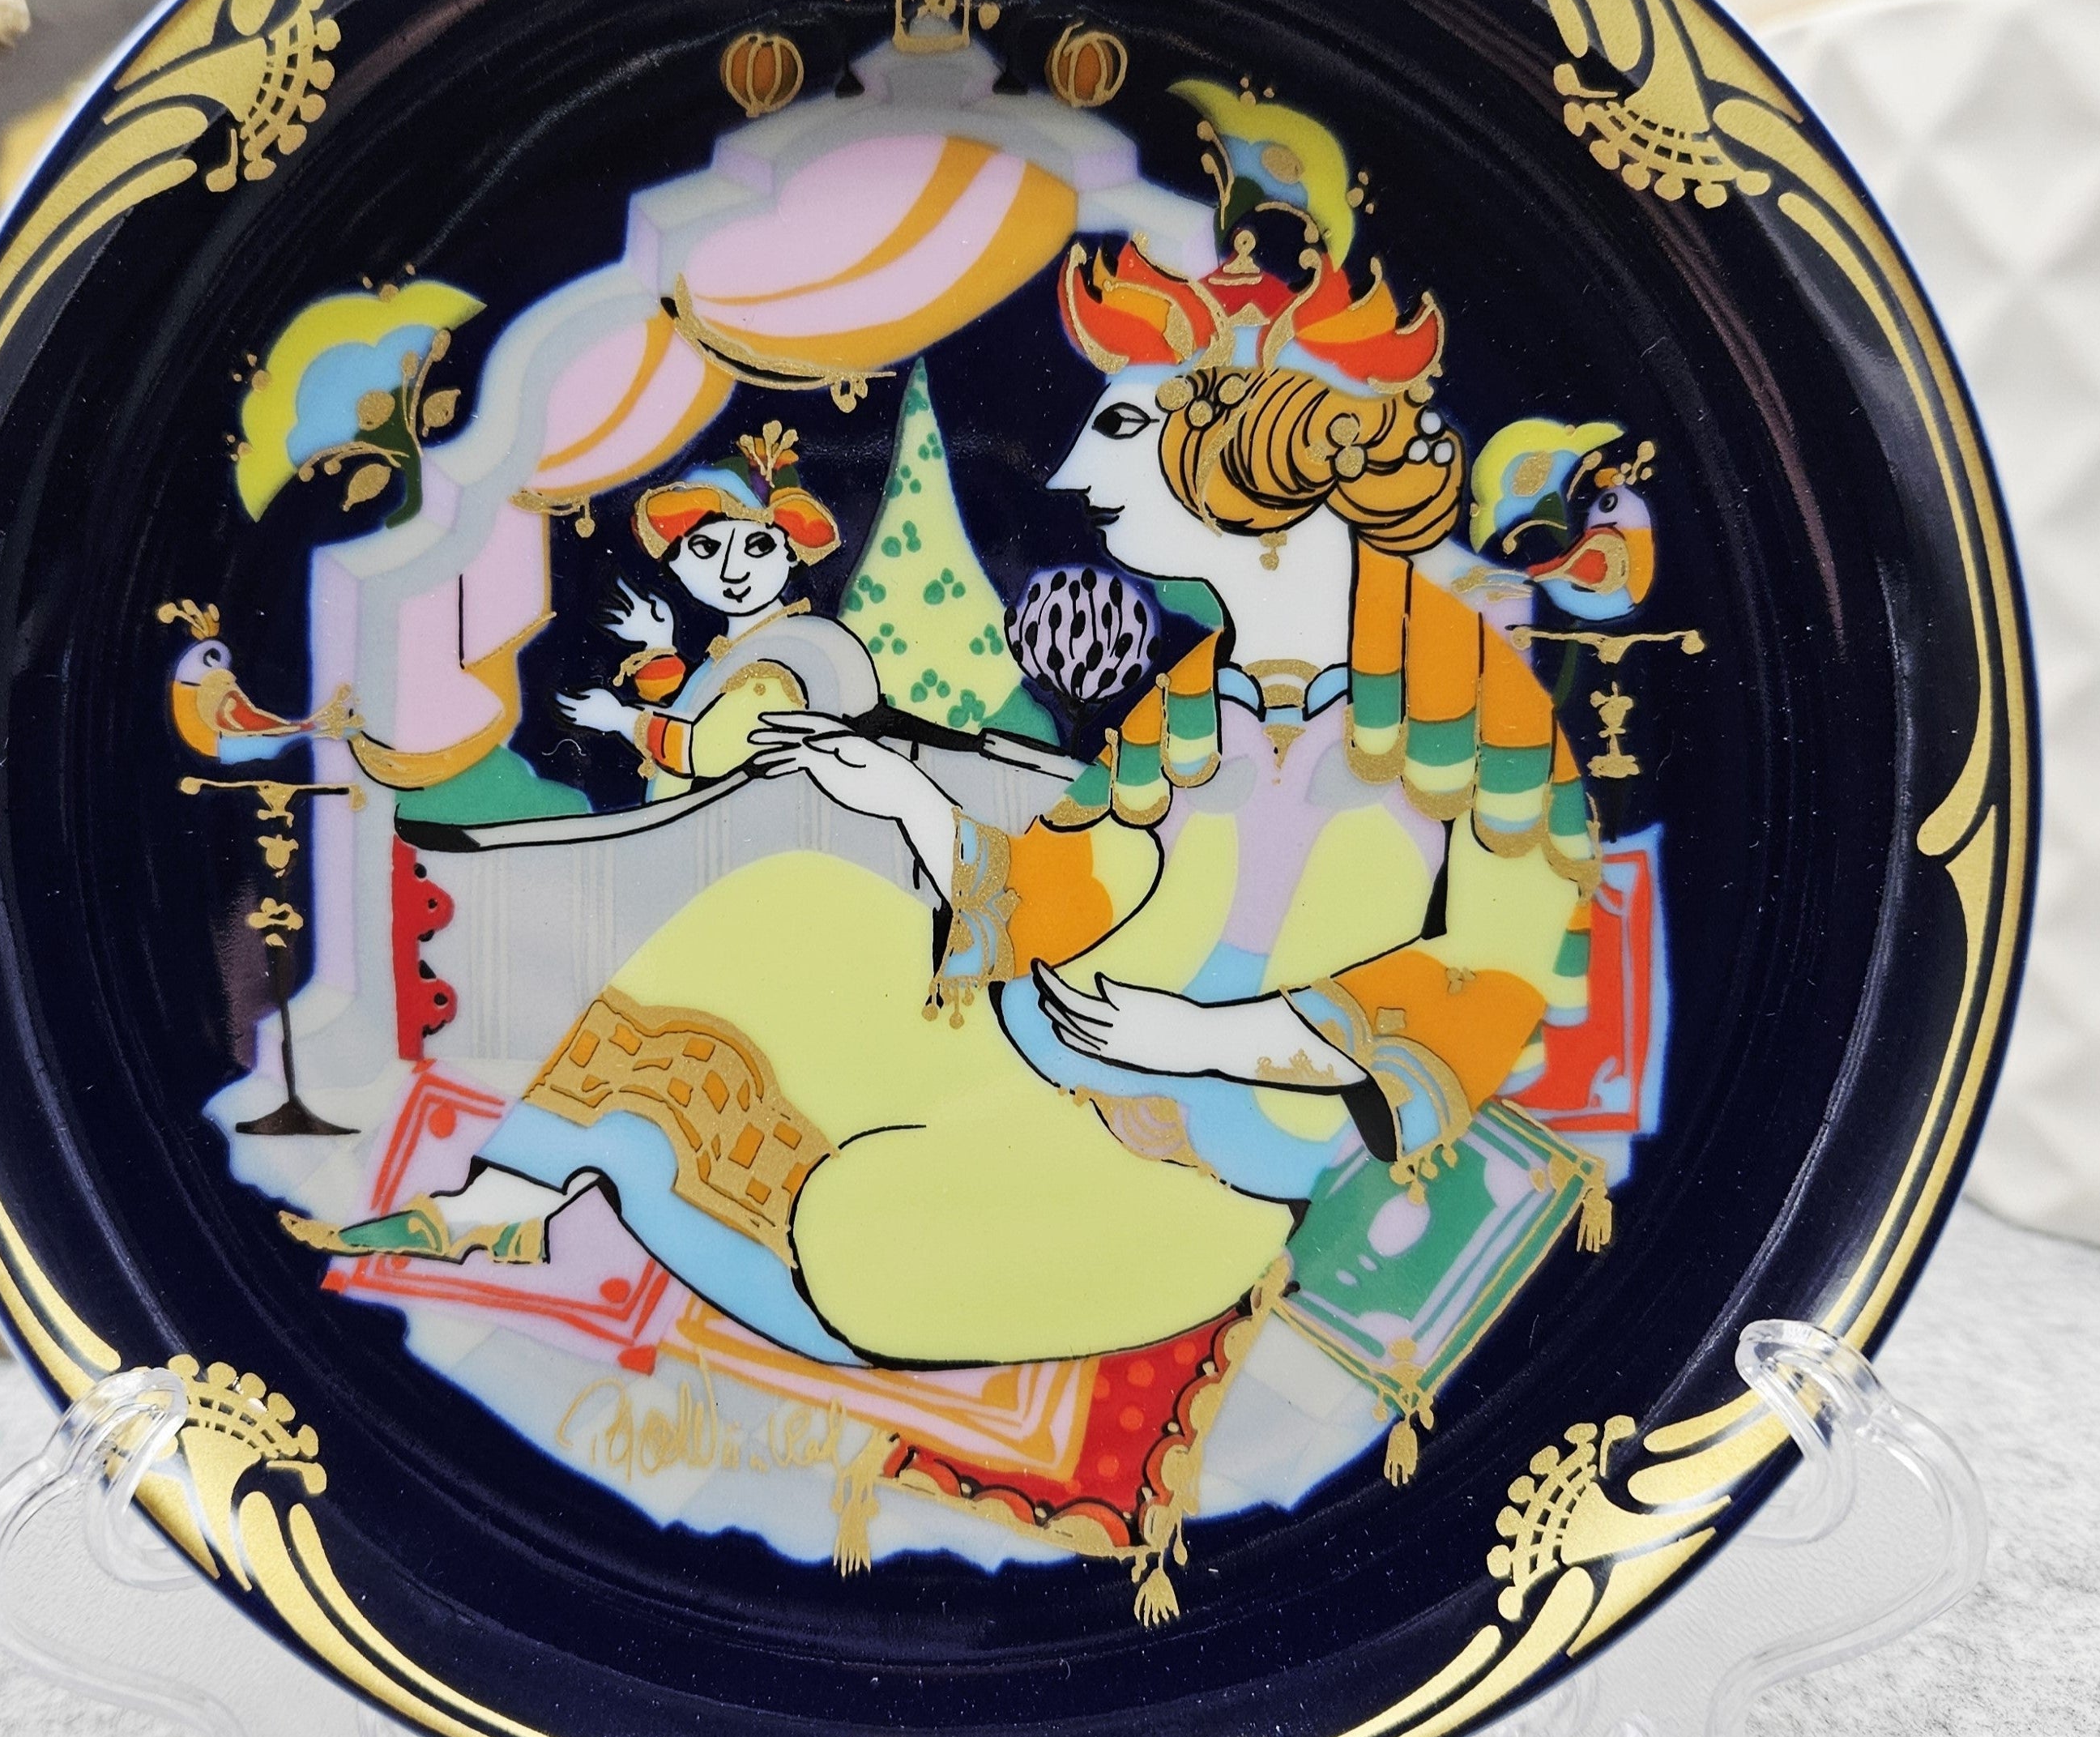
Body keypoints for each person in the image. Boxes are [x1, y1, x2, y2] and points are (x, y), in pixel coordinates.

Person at [287, 228, 1598, 1374]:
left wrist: (1208, 1038)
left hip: (1186, 1186)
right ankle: (508, 1201)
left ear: (1252, 445)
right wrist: (909, 796)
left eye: (1122, 431)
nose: (1075, 479)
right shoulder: (1208, 691)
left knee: (862, 1243)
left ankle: (785, 1204)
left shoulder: (1481, 720)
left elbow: (1487, 987)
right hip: (1031, 1056)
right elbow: (1069, 886)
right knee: (789, 900)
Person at [555, 421, 877, 799]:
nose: (732, 571)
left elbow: (702, 751)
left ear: (791, 553)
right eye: (706, 549)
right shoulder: (744, 646)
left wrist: (617, 717)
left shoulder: (785, 655)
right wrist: (658, 645)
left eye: (758, 547)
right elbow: (697, 704)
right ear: (673, 561)